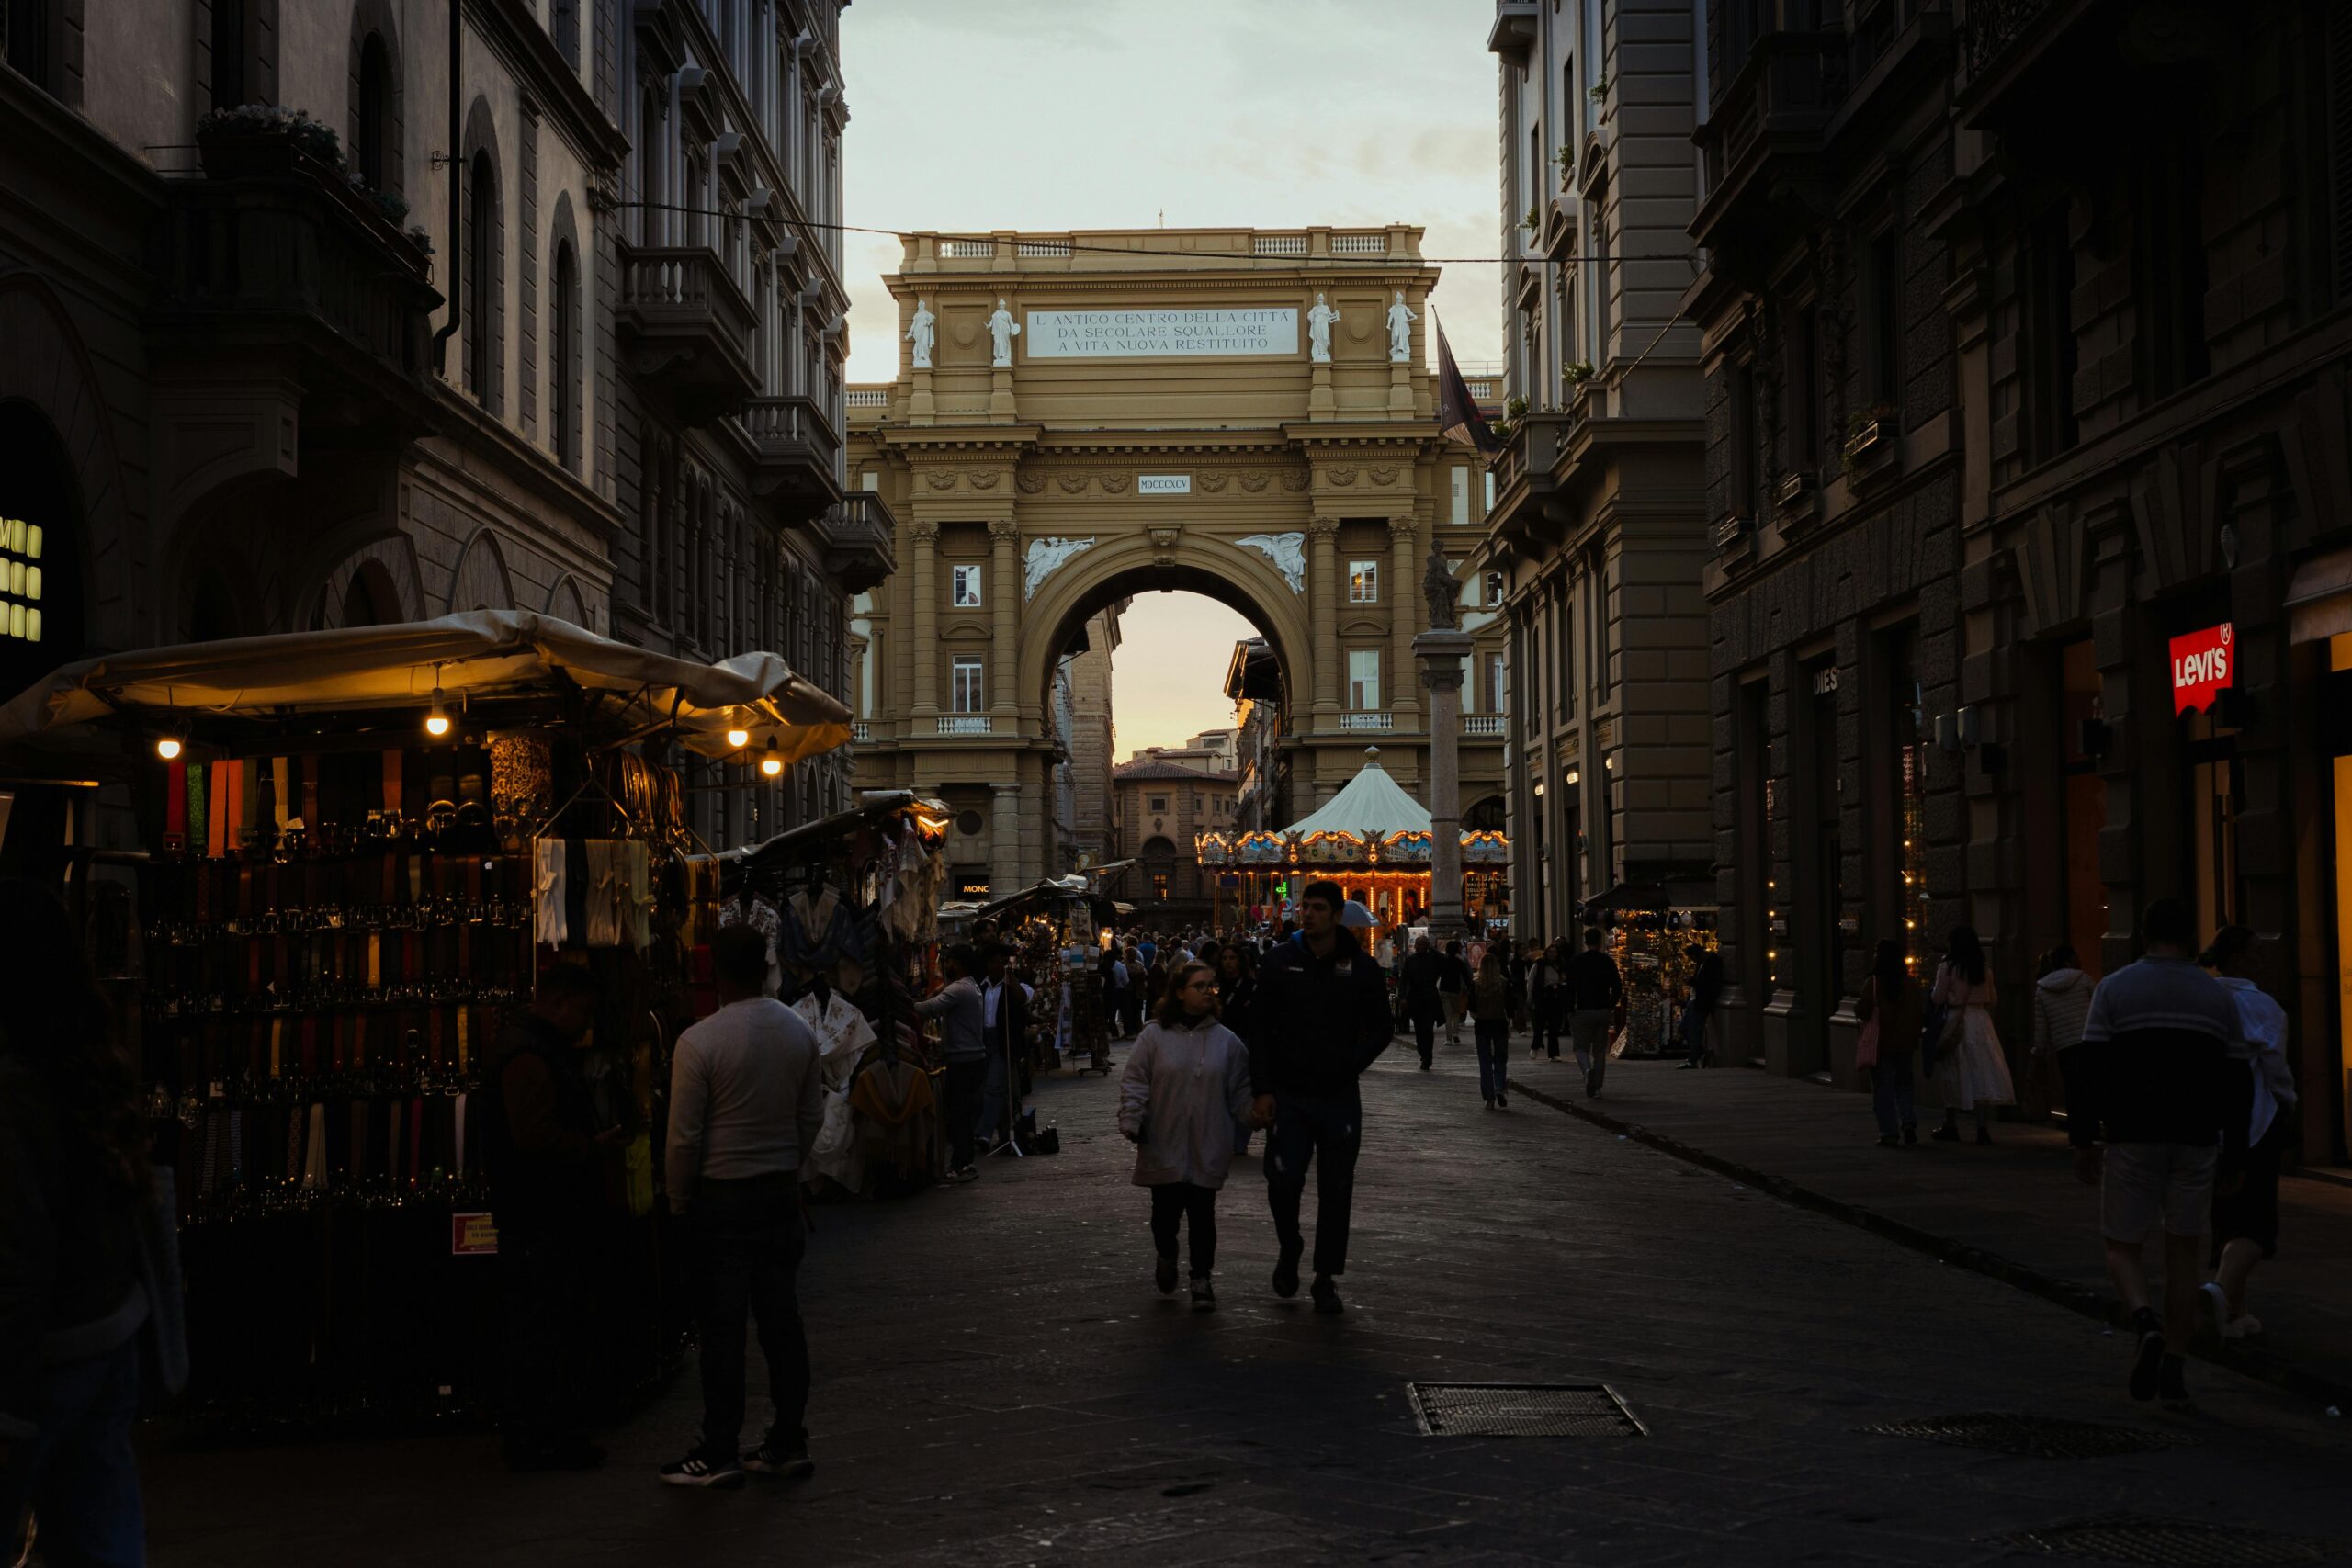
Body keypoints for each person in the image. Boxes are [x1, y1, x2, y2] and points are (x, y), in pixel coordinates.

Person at [0, 879, 181, 1565]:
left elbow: (15, 1256)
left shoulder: (18, 1087)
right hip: (108, 1335)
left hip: (43, 1355)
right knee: (99, 1530)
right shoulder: (93, 1063)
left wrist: (7, 1405)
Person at [660, 926, 824, 1489]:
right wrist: (787, 1162)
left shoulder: (699, 1042)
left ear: (714, 972)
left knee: (722, 1329)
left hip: (722, 1199)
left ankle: (720, 1446)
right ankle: (787, 1438)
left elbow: (683, 1138)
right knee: (782, 1321)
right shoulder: (798, 1031)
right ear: (767, 966)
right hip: (778, 1192)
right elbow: (812, 1116)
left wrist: (679, 1204)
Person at [2070, 899, 2237, 1404]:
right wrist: (2236, 1151)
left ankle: (2145, 1320)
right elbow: (2233, 1081)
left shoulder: (2115, 988)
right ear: (2190, 938)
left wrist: (2084, 1138)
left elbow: (2091, 1067)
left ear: (2142, 936)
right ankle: (2176, 1365)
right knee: (2185, 1254)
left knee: (2122, 1245)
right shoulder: (2215, 997)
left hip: (2134, 1134)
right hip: (2196, 1137)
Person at [482, 961, 619, 1472]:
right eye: (583, 1013)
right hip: (541, 1215)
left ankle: (539, 1432)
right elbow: (534, 1138)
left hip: (536, 1212)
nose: (587, 1026)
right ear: (558, 1002)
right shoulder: (529, 1056)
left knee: (540, 1325)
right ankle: (542, 1435)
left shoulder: (528, 1049)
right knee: (544, 1327)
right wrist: (589, 1146)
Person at [1244, 879, 1394, 1314]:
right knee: (1283, 1181)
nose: (1306, 914)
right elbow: (1259, 1029)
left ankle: (1325, 1276)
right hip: (1288, 1094)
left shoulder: (1361, 969)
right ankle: (1290, 1245)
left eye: (1316, 908)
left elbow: (1382, 1029)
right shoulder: (1278, 962)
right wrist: (1263, 1089)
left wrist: (1351, 1063)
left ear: (1335, 915)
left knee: (1337, 1188)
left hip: (1338, 1096)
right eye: (1304, 907)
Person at [1118, 964, 1254, 1312]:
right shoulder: (1153, 1036)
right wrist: (1133, 1116)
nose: (1209, 991)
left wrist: (1254, 1114)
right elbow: (1135, 1080)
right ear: (1179, 992)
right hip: (1163, 1140)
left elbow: (1240, 1091)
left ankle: (1201, 1276)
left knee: (1202, 1213)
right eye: (1199, 986)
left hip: (1208, 1141)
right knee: (1164, 1215)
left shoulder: (1228, 1042)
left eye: (1212, 986)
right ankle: (1166, 1254)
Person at [2199, 925, 2296, 1342]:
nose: (2264, 960)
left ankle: (2234, 1312)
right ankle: (2220, 1293)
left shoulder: (2204, 1000)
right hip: (2256, 1123)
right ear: (2238, 959)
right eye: (2256, 953)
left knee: (2226, 1219)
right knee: (2256, 1227)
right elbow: (2274, 1069)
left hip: (2208, 1126)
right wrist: (2288, 1102)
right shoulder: (2262, 1006)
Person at [1928, 927, 2014, 1143]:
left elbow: (1937, 998)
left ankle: (1951, 1124)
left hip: (1956, 1020)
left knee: (1953, 1070)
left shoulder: (1947, 968)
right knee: (1980, 1070)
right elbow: (1992, 999)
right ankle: (1982, 1127)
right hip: (1981, 1021)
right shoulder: (1983, 969)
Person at [917, 945, 988, 1183]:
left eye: (949, 961)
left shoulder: (959, 989)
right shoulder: (970, 986)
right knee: (963, 1114)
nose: (946, 966)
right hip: (972, 1059)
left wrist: (904, 1003)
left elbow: (928, 1008)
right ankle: (964, 1161)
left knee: (958, 1114)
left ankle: (961, 1164)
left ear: (957, 963)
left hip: (964, 1061)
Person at [1853, 940, 1919, 1146]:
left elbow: (1863, 1011)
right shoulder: (1910, 983)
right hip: (1905, 1043)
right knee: (1904, 1086)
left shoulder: (1873, 983)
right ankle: (1908, 1122)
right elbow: (1918, 1012)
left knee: (1883, 1089)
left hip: (1880, 1044)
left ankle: (1889, 1132)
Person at [976, 945, 1032, 1152]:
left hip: (1003, 1040)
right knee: (997, 1091)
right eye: (993, 962)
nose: (996, 966)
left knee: (994, 1088)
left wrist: (1011, 979)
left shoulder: (1013, 987)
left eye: (1000, 962)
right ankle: (1005, 1134)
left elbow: (1023, 998)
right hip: (983, 1040)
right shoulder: (980, 987)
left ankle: (983, 1133)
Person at [2030, 944, 2097, 1117]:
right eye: (2076, 957)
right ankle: (2090, 1131)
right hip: (2088, 1040)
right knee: (2089, 1086)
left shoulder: (2042, 989)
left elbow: (2041, 1024)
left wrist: (2039, 1049)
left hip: (2063, 1045)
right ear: (2068, 961)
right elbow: (2099, 1008)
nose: (2080, 960)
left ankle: (2076, 1136)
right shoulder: (2084, 980)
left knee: (2071, 1088)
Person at [1566, 928, 1623, 1099]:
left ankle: (1586, 1071)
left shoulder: (1576, 962)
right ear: (1600, 942)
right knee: (1599, 1050)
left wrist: (1570, 1009)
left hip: (1583, 1010)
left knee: (1580, 1047)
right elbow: (1617, 987)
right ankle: (1597, 1086)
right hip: (1602, 1010)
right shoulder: (1607, 961)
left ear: (1585, 941)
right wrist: (1610, 1004)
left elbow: (1570, 989)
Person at [1468, 944, 1518, 1108]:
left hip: (1482, 1024)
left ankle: (1489, 1097)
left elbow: (1472, 1006)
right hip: (1499, 1023)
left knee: (1485, 1061)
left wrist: (1477, 1014)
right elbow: (1510, 1006)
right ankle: (1499, 1087)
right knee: (1501, 1058)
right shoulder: (1503, 983)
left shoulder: (1476, 984)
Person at [1400, 936, 1444, 1071]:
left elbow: (1445, 960)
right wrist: (1403, 997)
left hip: (1430, 998)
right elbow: (1403, 981)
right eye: (1417, 944)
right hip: (1416, 998)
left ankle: (1428, 1056)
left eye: (1421, 944)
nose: (1417, 946)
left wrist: (1431, 949)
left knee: (1428, 1030)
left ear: (1426, 946)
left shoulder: (1433, 960)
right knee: (1419, 1031)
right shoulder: (1410, 961)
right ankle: (1423, 1053)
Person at [1678, 946, 1725, 1068]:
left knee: (1695, 1031)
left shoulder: (1713, 962)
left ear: (1697, 954)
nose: (1692, 961)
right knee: (1683, 1028)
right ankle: (1701, 1051)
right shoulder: (1701, 963)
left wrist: (1692, 981)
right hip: (1693, 1000)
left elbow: (1709, 985)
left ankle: (1692, 1060)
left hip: (1701, 1002)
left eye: (1692, 958)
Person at [1528, 941, 1569, 1061]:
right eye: (1550, 951)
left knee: (1554, 1027)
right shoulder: (1539, 964)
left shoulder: (1561, 965)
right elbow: (1531, 981)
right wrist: (1530, 997)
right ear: (1546, 952)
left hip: (1555, 998)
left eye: (1554, 952)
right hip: (1542, 997)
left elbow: (1565, 980)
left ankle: (1554, 1053)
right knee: (1539, 1025)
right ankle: (1534, 1048)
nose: (1552, 954)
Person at [1438, 939, 1470, 1048]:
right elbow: (1466, 977)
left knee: (1448, 1015)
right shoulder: (1459, 962)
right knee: (1456, 1012)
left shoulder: (1442, 961)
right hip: (1456, 989)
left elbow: (1437, 974)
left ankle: (1448, 1039)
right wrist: (1470, 987)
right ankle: (1456, 1033)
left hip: (1444, 989)